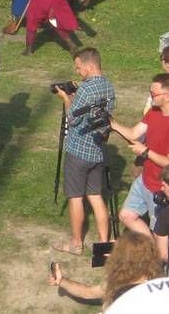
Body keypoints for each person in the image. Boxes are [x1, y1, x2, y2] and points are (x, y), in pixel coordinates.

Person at [52, 48, 117, 254]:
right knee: (96, 197)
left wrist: (65, 98)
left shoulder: (85, 91)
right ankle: (104, 244)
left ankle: (76, 243)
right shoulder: (109, 87)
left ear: (89, 66)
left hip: (78, 149)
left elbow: (72, 118)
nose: (78, 72)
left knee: (76, 197)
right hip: (97, 149)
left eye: (79, 68)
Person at [110, 73, 169, 236]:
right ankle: (151, 247)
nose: (150, 96)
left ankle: (156, 255)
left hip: (161, 187)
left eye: (153, 94)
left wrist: (146, 152)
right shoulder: (155, 111)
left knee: (159, 231)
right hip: (146, 179)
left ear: (167, 96)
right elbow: (133, 133)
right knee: (126, 215)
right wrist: (112, 125)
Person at [46, 231, 163, 305]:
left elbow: (89, 293)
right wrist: (61, 281)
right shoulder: (157, 280)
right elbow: (88, 292)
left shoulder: (122, 290)